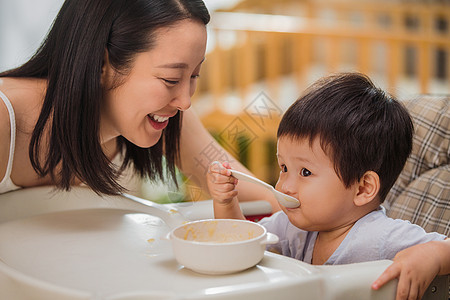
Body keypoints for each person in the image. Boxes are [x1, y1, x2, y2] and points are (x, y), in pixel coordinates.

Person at [0, 0, 279, 210]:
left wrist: (306, 210)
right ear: (101, 63)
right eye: (170, 79)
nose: (185, 101)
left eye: (194, 76)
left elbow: (241, 186)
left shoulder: (165, 112)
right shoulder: (5, 118)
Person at [207, 72, 450, 300]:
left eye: (305, 172)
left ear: (363, 188)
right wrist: (226, 202)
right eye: (283, 168)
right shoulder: (290, 226)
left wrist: (434, 255)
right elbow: (238, 248)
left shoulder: (382, 236)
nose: (284, 187)